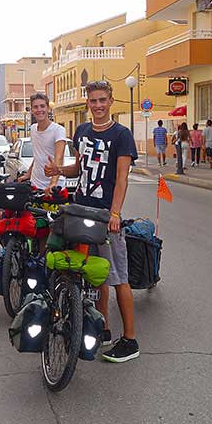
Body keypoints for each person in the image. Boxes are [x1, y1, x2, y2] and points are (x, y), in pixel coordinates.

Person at [45, 80, 139, 363]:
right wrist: (58, 169)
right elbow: (79, 167)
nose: (98, 105)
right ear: (87, 103)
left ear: (111, 101)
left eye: (102, 100)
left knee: (118, 276)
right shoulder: (83, 131)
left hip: (105, 215)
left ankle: (130, 340)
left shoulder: (122, 134)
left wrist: (114, 213)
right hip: (81, 210)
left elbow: (121, 178)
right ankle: (104, 329)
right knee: (94, 273)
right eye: (93, 101)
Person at [16, 92, 66, 196]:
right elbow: (38, 155)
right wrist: (28, 174)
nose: (39, 110)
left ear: (48, 108)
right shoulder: (33, 129)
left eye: (42, 106)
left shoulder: (58, 130)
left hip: (54, 188)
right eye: (35, 107)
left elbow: (59, 158)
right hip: (35, 185)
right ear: (32, 110)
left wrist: (53, 184)